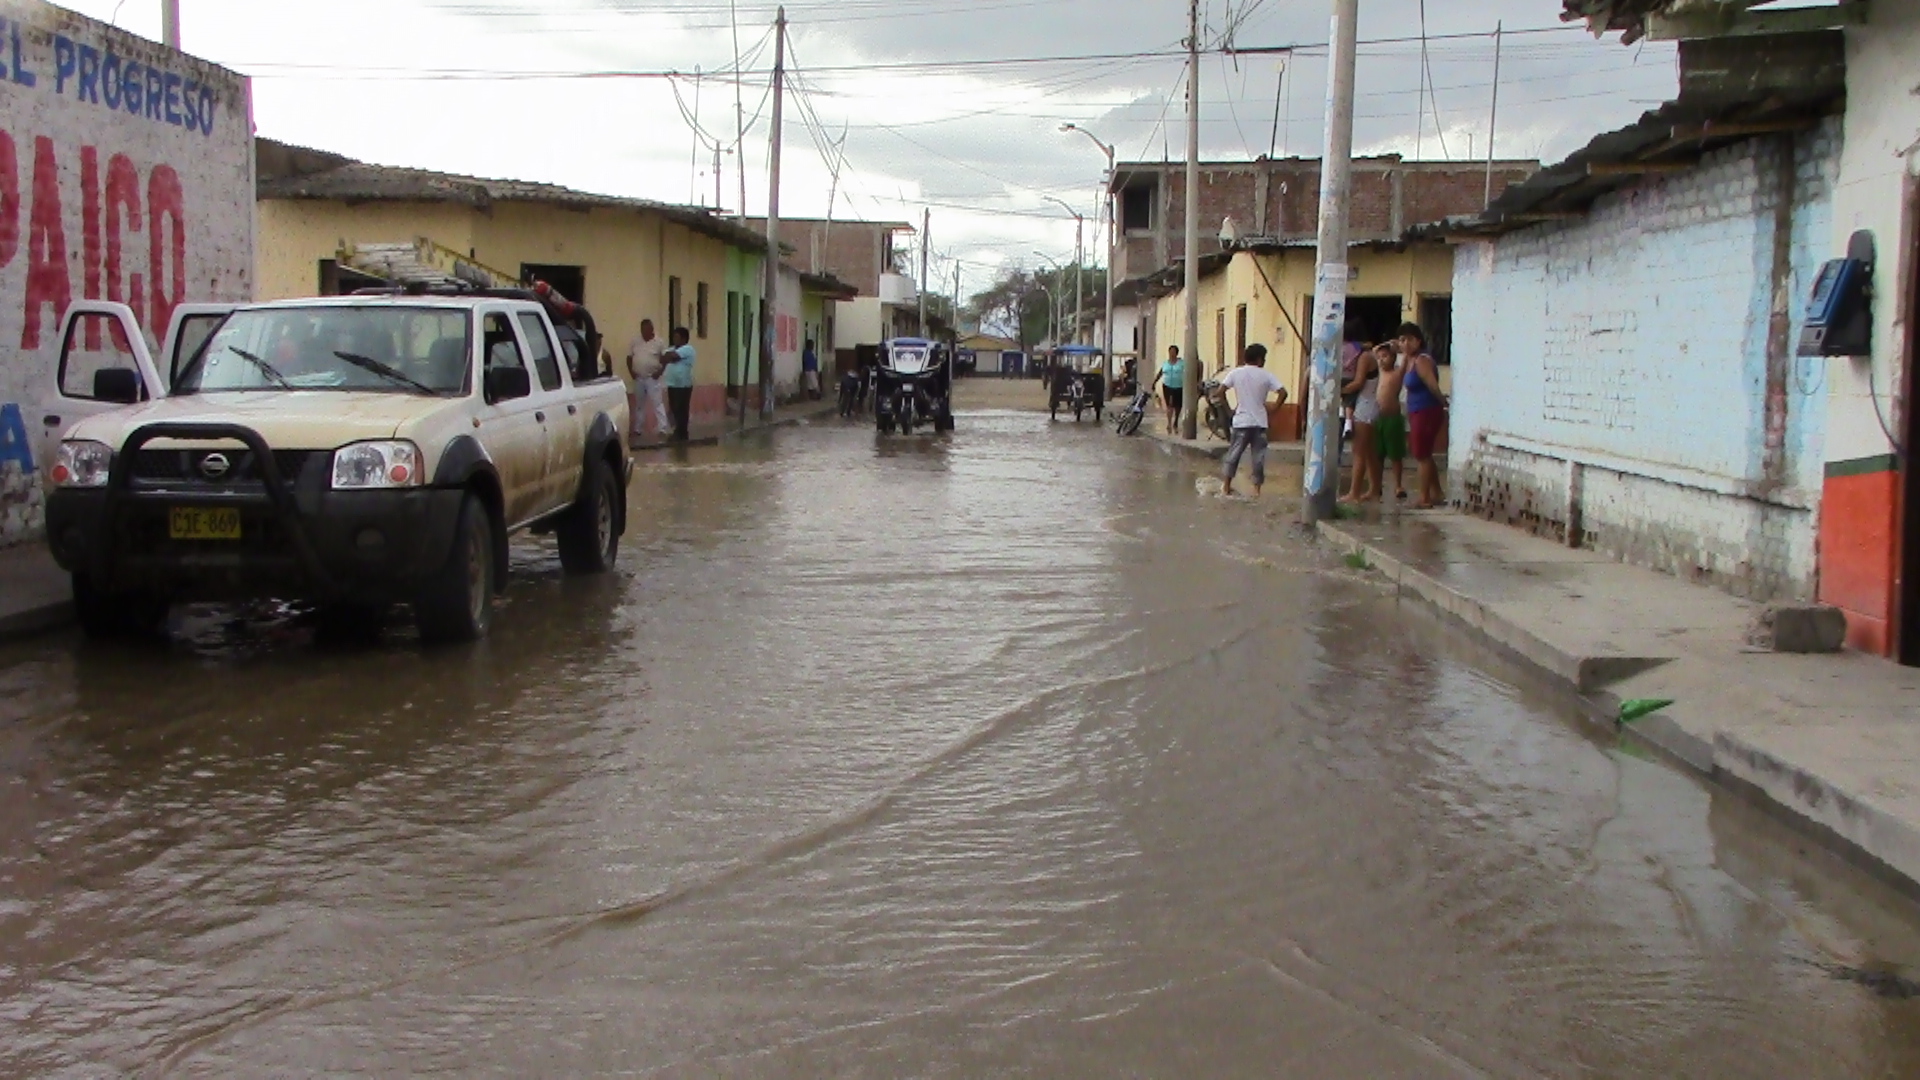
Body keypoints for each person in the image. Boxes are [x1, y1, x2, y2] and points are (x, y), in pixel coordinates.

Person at [1219, 343, 1287, 498]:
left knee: (1233, 455)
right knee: (1258, 458)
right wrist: (1274, 409)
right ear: (1259, 359)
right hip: (1259, 423)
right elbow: (1283, 393)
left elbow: (1220, 391)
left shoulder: (1235, 373)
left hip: (1240, 421)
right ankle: (1256, 491)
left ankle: (1226, 486)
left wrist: (1229, 411)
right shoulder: (1267, 375)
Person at [1399, 322, 1450, 509]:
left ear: (1418, 341)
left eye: (1410, 339)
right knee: (1425, 453)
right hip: (1417, 411)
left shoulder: (1422, 360)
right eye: (1402, 340)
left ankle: (1424, 497)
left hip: (1427, 411)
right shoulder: (1409, 360)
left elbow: (1432, 385)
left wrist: (1444, 403)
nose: (1405, 344)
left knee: (1421, 455)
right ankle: (1436, 493)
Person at [1341, 340, 1383, 503]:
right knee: (1369, 452)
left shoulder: (1365, 357)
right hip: (1366, 405)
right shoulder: (1363, 356)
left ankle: (1355, 492)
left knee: (1358, 450)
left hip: (1365, 407)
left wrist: (1340, 390)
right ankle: (1374, 489)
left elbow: (1358, 382)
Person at [1374, 341, 1409, 502]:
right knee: (1377, 455)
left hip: (1393, 417)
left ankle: (1398, 485)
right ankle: (1377, 485)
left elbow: (1406, 358)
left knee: (1395, 455)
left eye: (1385, 356)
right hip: (1378, 418)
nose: (1381, 360)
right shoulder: (1379, 373)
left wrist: (1397, 346)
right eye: (1380, 357)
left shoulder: (1397, 373)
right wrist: (1385, 344)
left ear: (1393, 358)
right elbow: (1374, 351)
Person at [626, 318, 669, 441]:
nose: (644, 332)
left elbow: (665, 359)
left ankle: (662, 428)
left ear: (651, 330)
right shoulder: (635, 341)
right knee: (639, 405)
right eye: (642, 330)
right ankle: (638, 429)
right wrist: (631, 372)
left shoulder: (659, 342)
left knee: (657, 403)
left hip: (652, 378)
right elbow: (629, 358)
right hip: (639, 378)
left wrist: (659, 372)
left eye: (646, 330)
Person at [661, 327, 697, 442]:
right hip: (672, 384)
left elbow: (672, 356)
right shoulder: (672, 349)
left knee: (681, 408)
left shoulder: (688, 349)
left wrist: (670, 357)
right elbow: (663, 358)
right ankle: (677, 431)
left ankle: (682, 432)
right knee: (673, 408)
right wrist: (670, 357)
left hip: (683, 385)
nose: (674, 339)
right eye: (674, 337)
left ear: (684, 338)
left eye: (677, 337)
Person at [1340, 318, 1367, 437]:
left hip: (1340, 376)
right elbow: (1368, 345)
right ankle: (1348, 422)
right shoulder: (1356, 346)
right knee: (1351, 400)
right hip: (1351, 377)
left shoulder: (1338, 346)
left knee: (1340, 395)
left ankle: (1341, 412)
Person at [1160, 344, 1186, 434]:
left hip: (1179, 386)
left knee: (1178, 406)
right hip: (1167, 386)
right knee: (1169, 405)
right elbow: (1161, 372)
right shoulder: (1165, 363)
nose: (1171, 354)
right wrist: (1154, 382)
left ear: (1176, 353)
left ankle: (1176, 422)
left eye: (1173, 352)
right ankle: (1169, 423)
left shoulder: (1182, 363)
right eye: (1170, 352)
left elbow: (1188, 371)